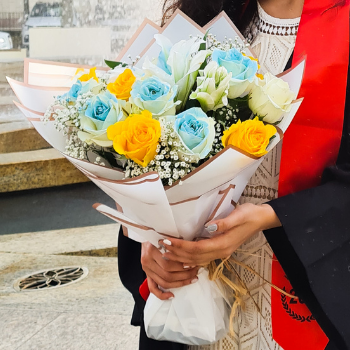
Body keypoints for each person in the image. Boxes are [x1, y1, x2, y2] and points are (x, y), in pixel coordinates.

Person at [117, 0, 350, 349]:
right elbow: (149, 163)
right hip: (198, 295)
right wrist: (149, 240)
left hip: (297, 289)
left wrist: (268, 216)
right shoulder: (206, 13)